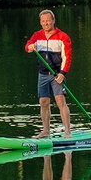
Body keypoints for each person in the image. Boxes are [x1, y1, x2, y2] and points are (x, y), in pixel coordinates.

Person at [24, 9, 72, 138]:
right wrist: (30, 47)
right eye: (43, 21)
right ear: (40, 22)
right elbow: (27, 45)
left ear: (53, 21)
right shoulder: (37, 35)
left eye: (48, 21)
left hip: (57, 75)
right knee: (44, 102)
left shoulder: (62, 36)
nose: (46, 23)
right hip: (43, 74)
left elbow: (67, 57)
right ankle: (46, 131)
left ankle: (67, 131)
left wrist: (62, 73)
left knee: (60, 101)